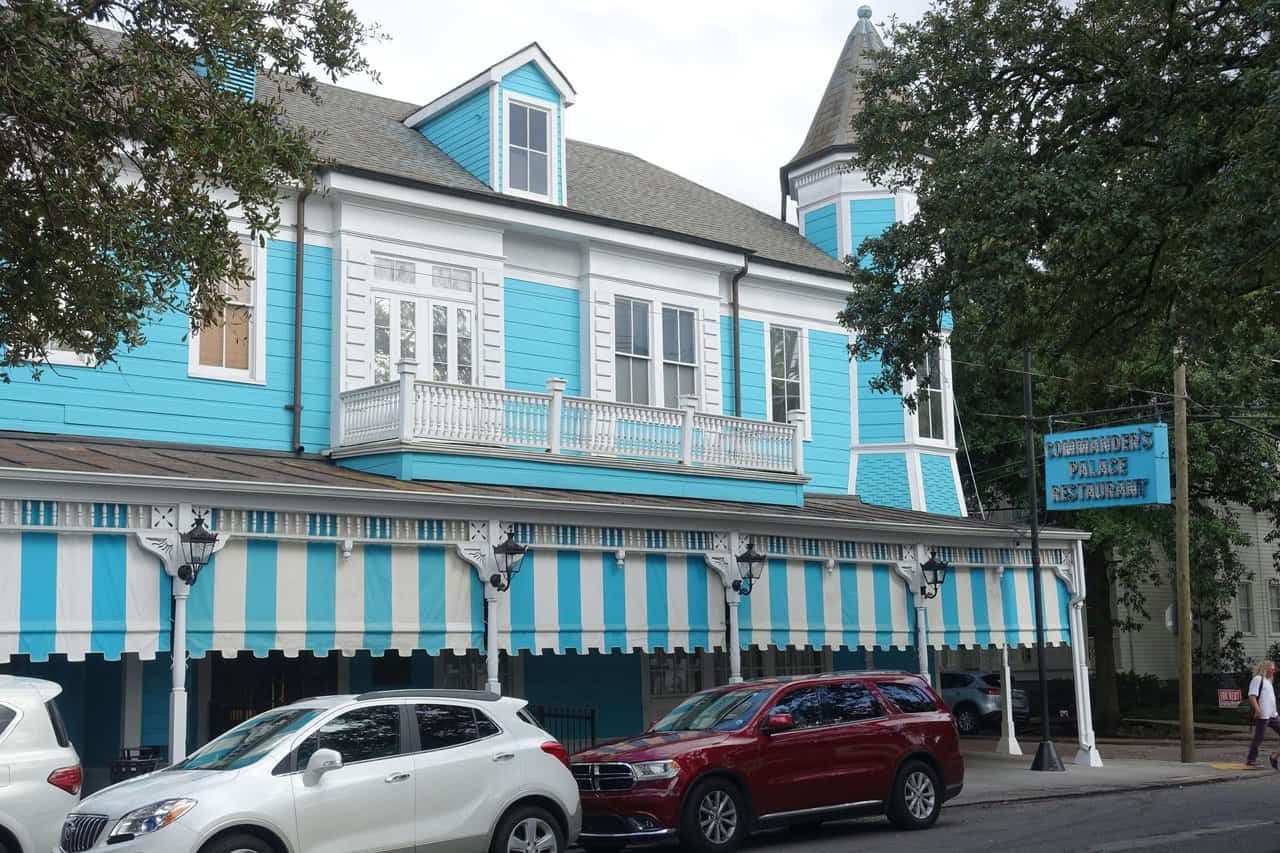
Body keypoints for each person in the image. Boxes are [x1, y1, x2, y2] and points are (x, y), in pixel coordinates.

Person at [1245, 659, 1280, 767]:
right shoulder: (1257, 679)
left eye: (1274, 669)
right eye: (1272, 669)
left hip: (1273, 715)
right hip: (1263, 715)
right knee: (1258, 738)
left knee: (1258, 738)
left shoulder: (1268, 681)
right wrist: (1257, 710)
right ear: (1266, 668)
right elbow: (1252, 696)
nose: (1274, 671)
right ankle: (1251, 761)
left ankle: (1274, 757)